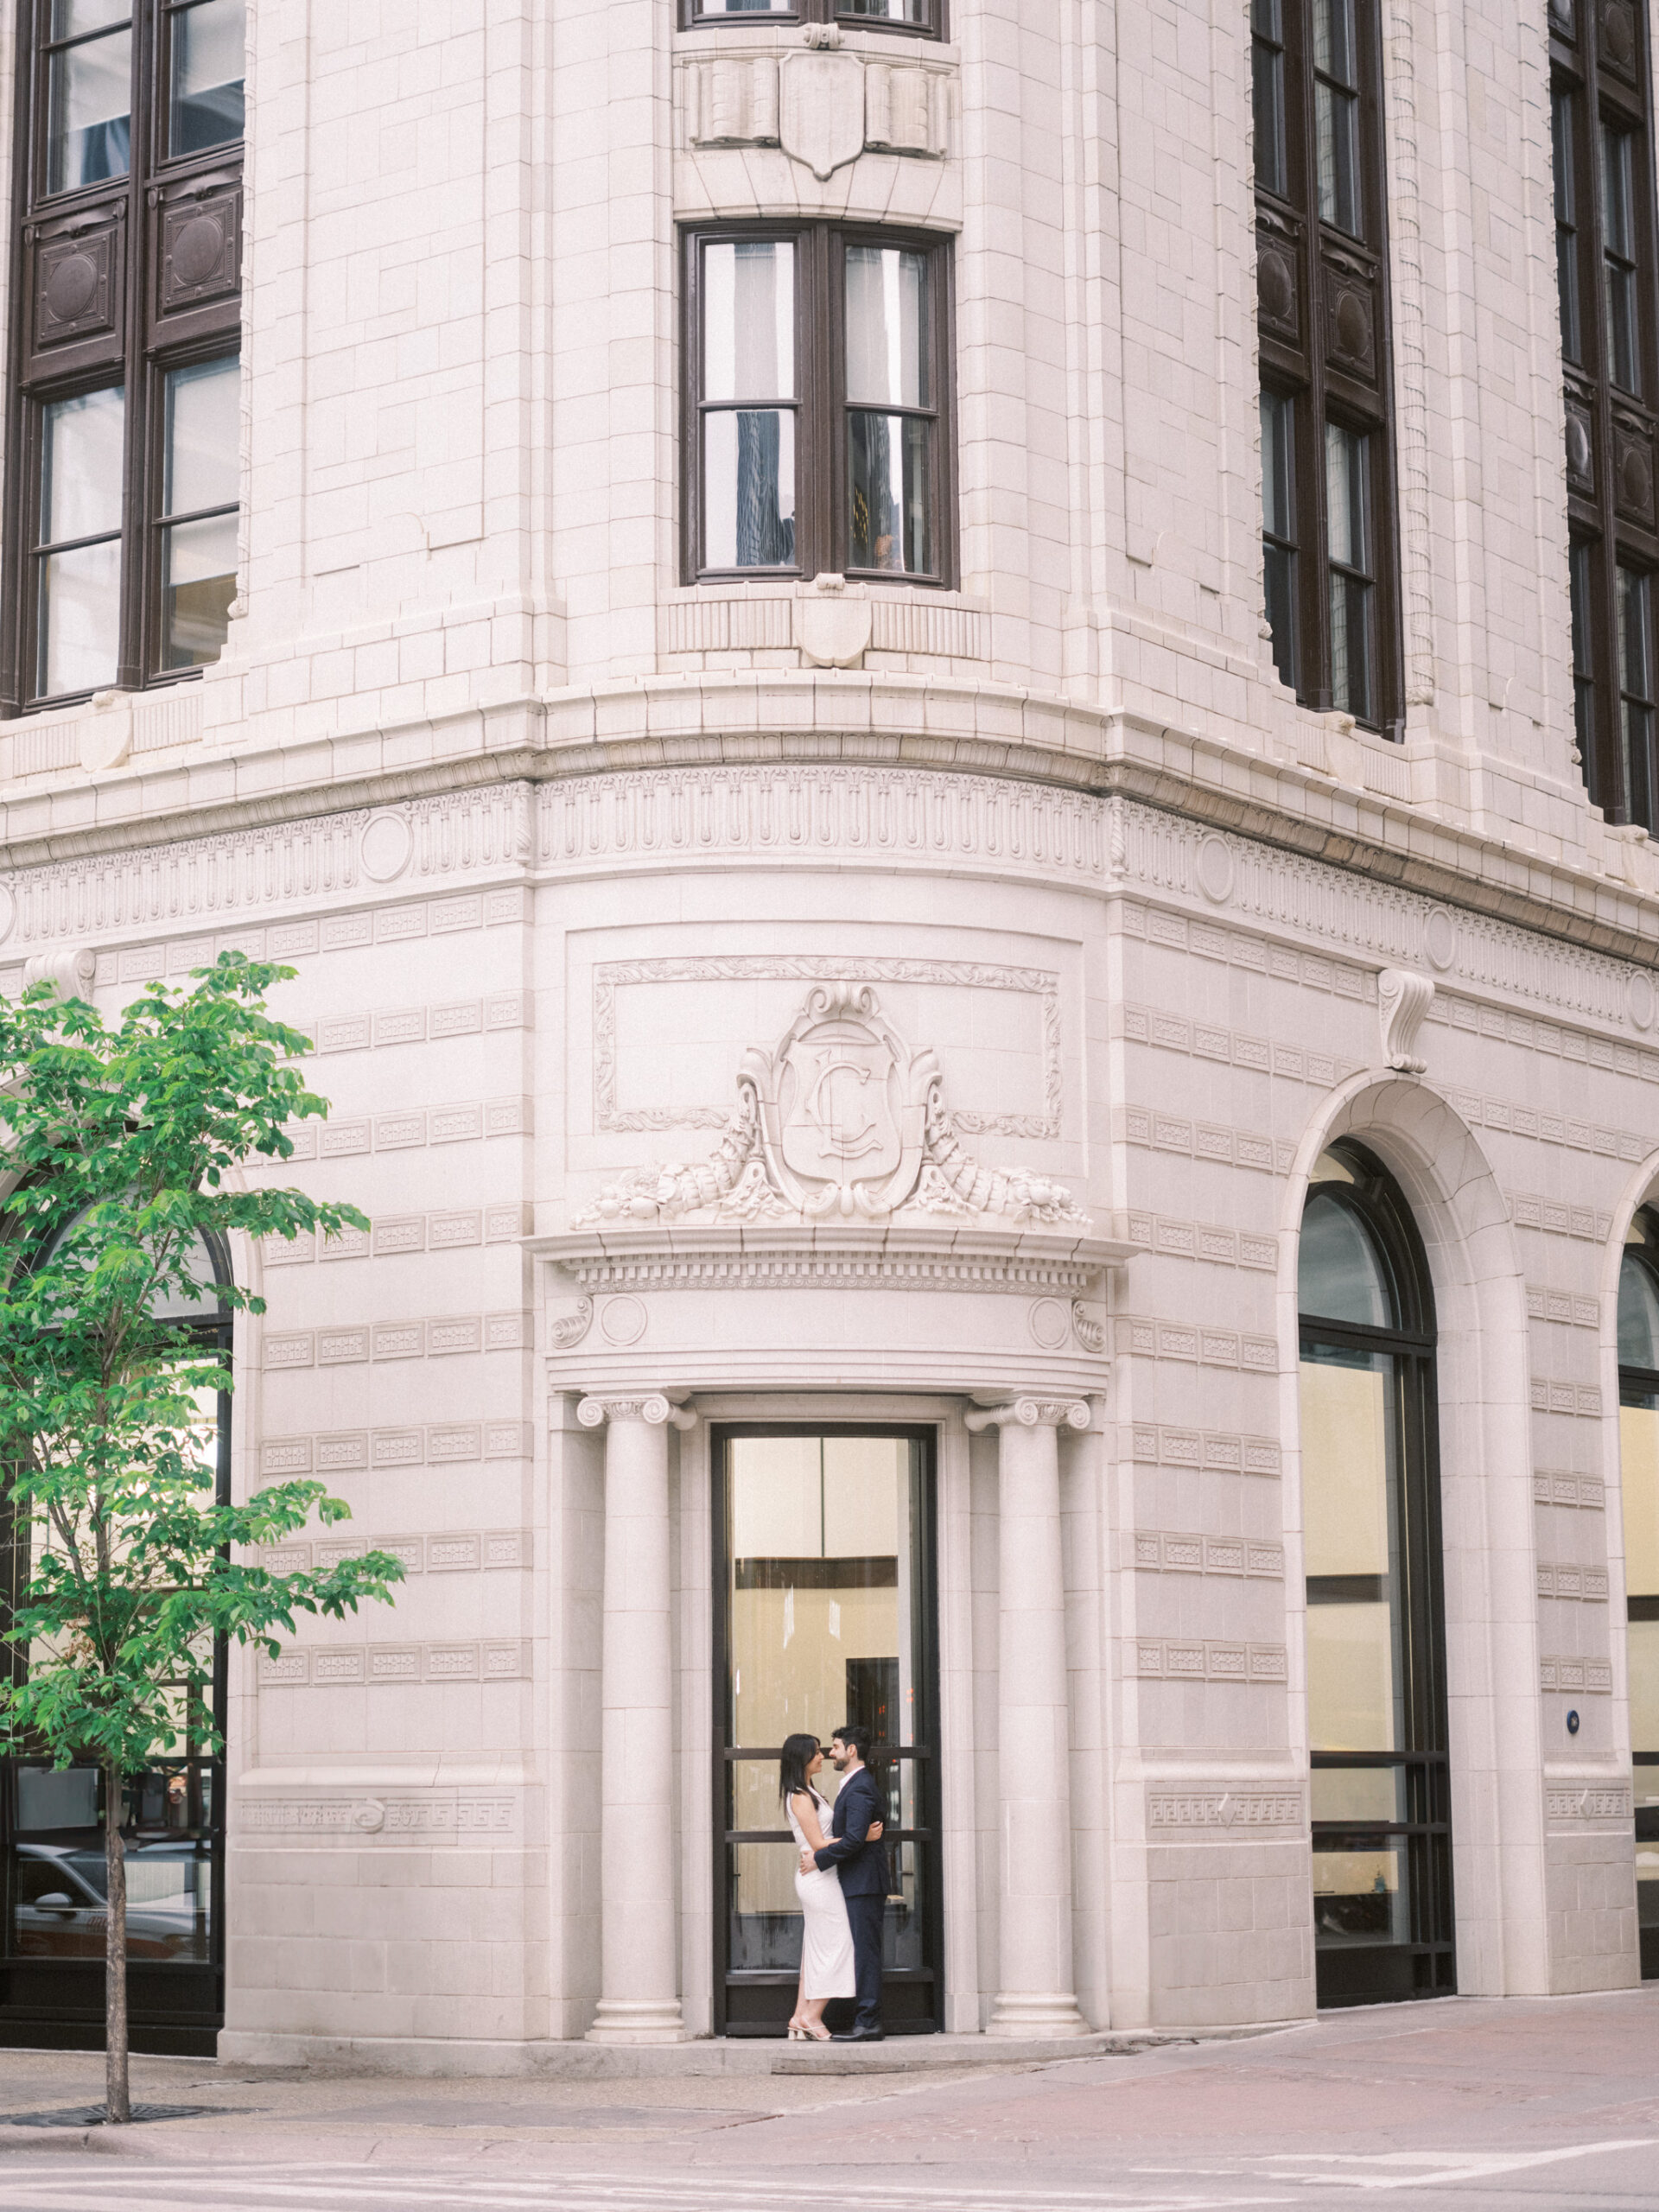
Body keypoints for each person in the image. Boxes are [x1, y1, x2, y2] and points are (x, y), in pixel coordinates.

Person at [779, 1733, 881, 2042]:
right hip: (819, 1881)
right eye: (816, 1753)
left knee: (816, 1948)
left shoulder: (809, 1791)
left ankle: (799, 2016)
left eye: (825, 1750)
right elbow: (819, 1843)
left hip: (822, 1874)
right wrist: (860, 1837)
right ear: (802, 1759)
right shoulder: (799, 1795)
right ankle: (812, 2016)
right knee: (838, 1945)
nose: (822, 1756)